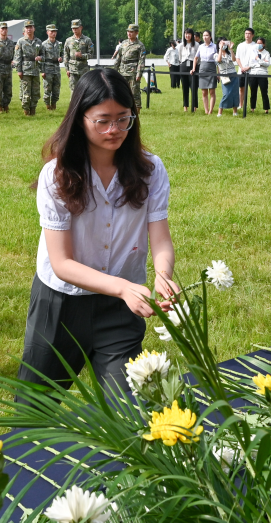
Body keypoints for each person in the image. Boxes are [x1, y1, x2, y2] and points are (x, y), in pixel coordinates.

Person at [16, 67, 177, 395]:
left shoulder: (150, 169)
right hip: (61, 304)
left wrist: (163, 273)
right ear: (80, 119)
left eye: (123, 118)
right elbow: (61, 263)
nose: (114, 129)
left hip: (121, 310)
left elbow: (159, 237)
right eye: (102, 120)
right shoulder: (57, 175)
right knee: (33, 411)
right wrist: (122, 288)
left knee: (127, 414)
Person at [112, 24, 147, 111]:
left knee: (134, 92)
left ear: (136, 33)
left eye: (131, 32)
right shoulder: (124, 43)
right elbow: (119, 57)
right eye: (128, 31)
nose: (129, 33)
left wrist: (139, 73)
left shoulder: (140, 46)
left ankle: (137, 110)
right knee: (122, 91)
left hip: (133, 71)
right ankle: (123, 108)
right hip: (123, 70)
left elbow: (141, 61)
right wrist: (114, 70)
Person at [14, 20, 43, 116]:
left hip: (35, 70)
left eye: (31, 27)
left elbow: (44, 55)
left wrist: (41, 58)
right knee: (26, 93)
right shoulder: (21, 41)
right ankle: (26, 112)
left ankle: (33, 110)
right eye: (27, 27)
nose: (29, 29)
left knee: (35, 93)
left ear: (34, 28)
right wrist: (19, 70)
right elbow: (18, 57)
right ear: (25, 29)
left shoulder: (38, 41)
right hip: (25, 70)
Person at [63, 19, 94, 94]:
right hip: (72, 69)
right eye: (73, 28)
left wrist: (82, 55)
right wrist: (67, 69)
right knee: (74, 91)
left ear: (81, 27)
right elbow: (66, 55)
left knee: (85, 90)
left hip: (83, 69)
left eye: (76, 28)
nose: (75, 30)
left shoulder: (87, 40)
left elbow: (91, 54)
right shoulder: (68, 41)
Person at [0, 23, 16, 111]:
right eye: (2, 29)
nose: (4, 30)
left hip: (8, 67)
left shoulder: (10, 42)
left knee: (8, 88)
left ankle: (6, 105)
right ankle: (0, 106)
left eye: (6, 29)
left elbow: (13, 55)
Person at [41, 24, 63, 111]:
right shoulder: (43, 44)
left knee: (56, 88)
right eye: (51, 31)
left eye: (55, 31)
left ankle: (54, 105)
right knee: (47, 88)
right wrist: (42, 71)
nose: (54, 33)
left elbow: (63, 55)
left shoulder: (59, 44)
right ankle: (47, 106)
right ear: (47, 32)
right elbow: (41, 59)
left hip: (56, 69)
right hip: (47, 68)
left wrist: (62, 59)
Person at [235, 28, 259, 108]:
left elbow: (257, 59)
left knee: (252, 89)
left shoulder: (255, 46)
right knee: (241, 88)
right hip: (241, 70)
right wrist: (242, 67)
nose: (247, 35)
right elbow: (237, 58)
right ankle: (240, 105)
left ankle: (251, 107)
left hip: (252, 70)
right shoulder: (240, 45)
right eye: (246, 33)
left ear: (252, 35)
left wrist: (248, 67)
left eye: (249, 34)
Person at [246, 37, 271, 113]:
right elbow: (250, 63)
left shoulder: (266, 53)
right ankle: (252, 108)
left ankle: (266, 109)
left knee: (264, 92)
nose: (259, 45)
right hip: (253, 73)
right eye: (257, 43)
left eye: (260, 43)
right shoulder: (253, 52)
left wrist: (258, 60)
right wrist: (261, 62)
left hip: (262, 74)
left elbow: (267, 64)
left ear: (263, 44)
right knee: (253, 92)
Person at [216, 37, 238, 117]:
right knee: (226, 94)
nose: (223, 45)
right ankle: (220, 111)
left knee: (234, 93)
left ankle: (235, 111)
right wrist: (220, 49)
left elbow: (234, 59)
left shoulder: (229, 53)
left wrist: (231, 49)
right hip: (224, 76)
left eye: (224, 43)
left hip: (233, 74)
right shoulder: (216, 54)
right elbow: (219, 60)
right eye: (221, 43)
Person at [177, 29, 199, 112]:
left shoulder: (196, 45)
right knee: (184, 87)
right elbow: (179, 57)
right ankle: (185, 106)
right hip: (183, 65)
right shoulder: (181, 45)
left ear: (192, 35)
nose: (187, 36)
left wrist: (195, 65)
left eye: (189, 34)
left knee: (194, 87)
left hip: (193, 66)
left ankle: (194, 106)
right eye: (186, 34)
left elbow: (198, 57)